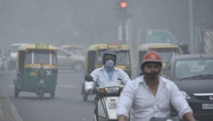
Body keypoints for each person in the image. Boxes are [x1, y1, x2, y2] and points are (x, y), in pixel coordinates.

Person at [116, 51, 196, 121]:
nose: (152, 69)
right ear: (143, 68)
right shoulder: (132, 86)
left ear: (160, 69)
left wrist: (190, 118)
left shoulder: (169, 85)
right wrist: (122, 118)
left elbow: (182, 106)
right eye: (149, 67)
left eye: (156, 67)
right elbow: (123, 109)